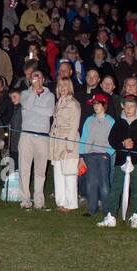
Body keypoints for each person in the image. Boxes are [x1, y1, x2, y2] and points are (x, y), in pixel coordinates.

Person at [106, 96, 137, 228]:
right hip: (121, 160)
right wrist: (122, 143)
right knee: (116, 188)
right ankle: (111, 215)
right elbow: (112, 139)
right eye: (126, 106)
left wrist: (134, 143)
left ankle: (136, 215)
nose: (128, 109)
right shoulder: (119, 122)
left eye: (131, 106)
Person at [18, 69, 55, 210]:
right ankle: (25, 200)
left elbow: (49, 112)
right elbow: (27, 105)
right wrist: (33, 93)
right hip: (26, 135)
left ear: (43, 80)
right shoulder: (25, 94)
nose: (37, 79)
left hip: (42, 137)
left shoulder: (50, 95)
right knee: (24, 169)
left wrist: (33, 108)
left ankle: (39, 200)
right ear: (30, 79)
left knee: (40, 171)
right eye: (34, 77)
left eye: (39, 77)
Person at [79, 91, 115, 221]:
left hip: (103, 156)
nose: (95, 106)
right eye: (94, 104)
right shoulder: (89, 120)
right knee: (91, 183)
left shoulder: (110, 121)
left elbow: (114, 139)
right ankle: (92, 208)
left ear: (104, 105)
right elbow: (84, 138)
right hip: (90, 155)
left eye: (98, 104)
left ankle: (106, 210)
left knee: (104, 184)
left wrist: (108, 153)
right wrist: (81, 155)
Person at [48, 77, 81, 212]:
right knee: (58, 173)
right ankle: (61, 202)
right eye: (60, 85)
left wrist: (70, 145)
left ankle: (71, 203)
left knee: (69, 173)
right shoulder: (58, 102)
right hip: (57, 141)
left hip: (68, 140)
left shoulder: (73, 104)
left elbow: (74, 126)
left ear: (70, 87)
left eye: (65, 85)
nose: (62, 88)